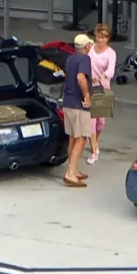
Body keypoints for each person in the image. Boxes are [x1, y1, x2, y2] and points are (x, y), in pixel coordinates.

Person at [61, 34, 95, 188]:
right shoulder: (85, 59)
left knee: (73, 138)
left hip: (67, 101)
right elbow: (81, 77)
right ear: (86, 46)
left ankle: (73, 170)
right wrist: (87, 96)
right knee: (81, 138)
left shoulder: (70, 58)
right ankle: (70, 173)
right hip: (79, 104)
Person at [87, 24, 117, 165]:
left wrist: (104, 75)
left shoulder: (111, 53)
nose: (100, 40)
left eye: (103, 38)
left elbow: (111, 71)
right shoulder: (90, 49)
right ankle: (94, 150)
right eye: (98, 37)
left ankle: (95, 142)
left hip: (103, 89)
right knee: (91, 121)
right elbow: (85, 64)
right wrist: (90, 75)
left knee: (100, 122)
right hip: (89, 88)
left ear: (108, 38)